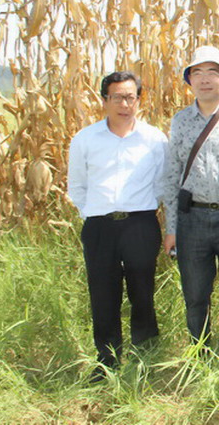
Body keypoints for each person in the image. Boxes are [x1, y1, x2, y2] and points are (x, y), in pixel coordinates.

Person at [67, 71, 168, 381]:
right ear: (104, 100)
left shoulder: (154, 139)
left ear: (139, 100)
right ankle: (107, 360)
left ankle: (145, 355)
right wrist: (92, 214)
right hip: (100, 227)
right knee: (103, 294)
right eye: (117, 98)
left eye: (130, 97)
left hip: (140, 224)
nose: (125, 104)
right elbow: (77, 186)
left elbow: (162, 183)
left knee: (142, 291)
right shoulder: (85, 139)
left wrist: (145, 209)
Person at [162, 45, 219, 363]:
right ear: (189, 80)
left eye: (212, 72)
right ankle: (199, 355)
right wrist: (171, 228)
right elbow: (172, 175)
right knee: (195, 294)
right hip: (193, 218)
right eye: (197, 73)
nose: (204, 79)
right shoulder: (180, 120)